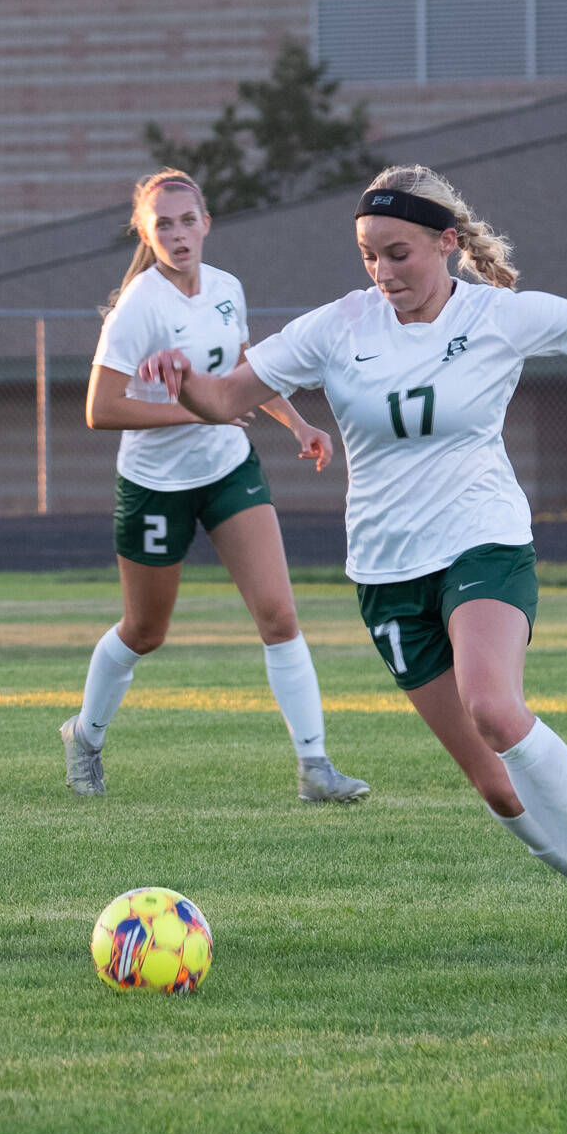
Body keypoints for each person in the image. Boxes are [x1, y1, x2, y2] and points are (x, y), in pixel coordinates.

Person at [139, 163, 567, 964]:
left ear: (446, 243)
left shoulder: (499, 316)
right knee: (498, 786)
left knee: (495, 705)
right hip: (388, 575)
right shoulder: (338, 326)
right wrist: (184, 383)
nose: (383, 273)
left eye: (399, 253)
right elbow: (225, 400)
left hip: (483, 540)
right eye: (369, 255)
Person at [61, 168, 367, 805]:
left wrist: (298, 423)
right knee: (145, 631)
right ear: (146, 233)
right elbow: (100, 408)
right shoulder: (139, 306)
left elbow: (243, 370)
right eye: (163, 224)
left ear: (207, 224)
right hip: (154, 485)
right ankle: (84, 740)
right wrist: (196, 410)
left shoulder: (227, 288)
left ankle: (316, 769)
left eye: (187, 220)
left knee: (279, 616)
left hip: (229, 469)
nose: (178, 233)